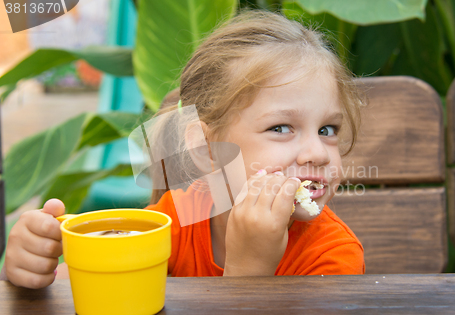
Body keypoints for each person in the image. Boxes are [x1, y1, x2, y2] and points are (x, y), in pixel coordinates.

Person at [1, 10, 364, 288]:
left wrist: (249, 270)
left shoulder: (334, 257)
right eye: (281, 128)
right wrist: (30, 268)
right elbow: (101, 283)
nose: (317, 152)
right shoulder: (183, 214)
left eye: (327, 129)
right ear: (205, 147)